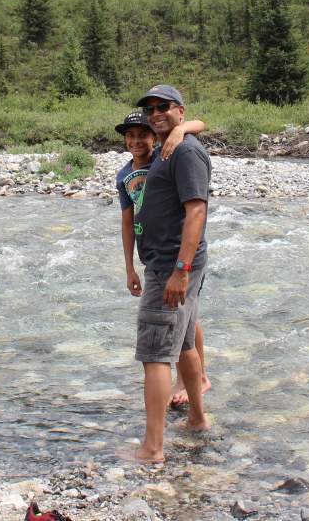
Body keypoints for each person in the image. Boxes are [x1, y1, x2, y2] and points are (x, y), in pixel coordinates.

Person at [129, 84, 212, 462]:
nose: (155, 113)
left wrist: (180, 270)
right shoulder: (170, 146)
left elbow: (197, 211)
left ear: (180, 110)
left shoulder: (185, 151)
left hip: (170, 266)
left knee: (155, 354)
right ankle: (197, 419)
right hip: (170, 262)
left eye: (163, 107)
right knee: (184, 344)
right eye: (150, 109)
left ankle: (153, 448)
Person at [115, 111, 212, 409]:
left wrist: (179, 131)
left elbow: (200, 123)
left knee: (185, 317)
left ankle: (196, 378)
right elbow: (127, 221)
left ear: (154, 137)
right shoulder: (123, 176)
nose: (136, 141)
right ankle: (195, 383)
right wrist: (130, 267)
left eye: (142, 135)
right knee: (186, 316)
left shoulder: (165, 155)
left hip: (177, 253)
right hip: (153, 254)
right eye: (130, 136)